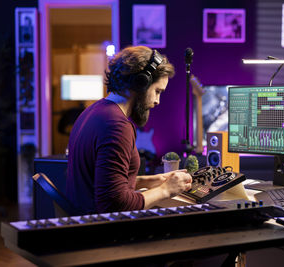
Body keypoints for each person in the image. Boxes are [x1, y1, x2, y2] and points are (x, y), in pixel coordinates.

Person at [66, 46, 192, 214]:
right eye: (157, 91)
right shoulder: (116, 126)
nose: (157, 101)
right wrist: (166, 190)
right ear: (141, 83)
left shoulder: (94, 111)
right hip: (101, 233)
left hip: (82, 223)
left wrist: (155, 180)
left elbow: (106, 183)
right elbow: (114, 204)